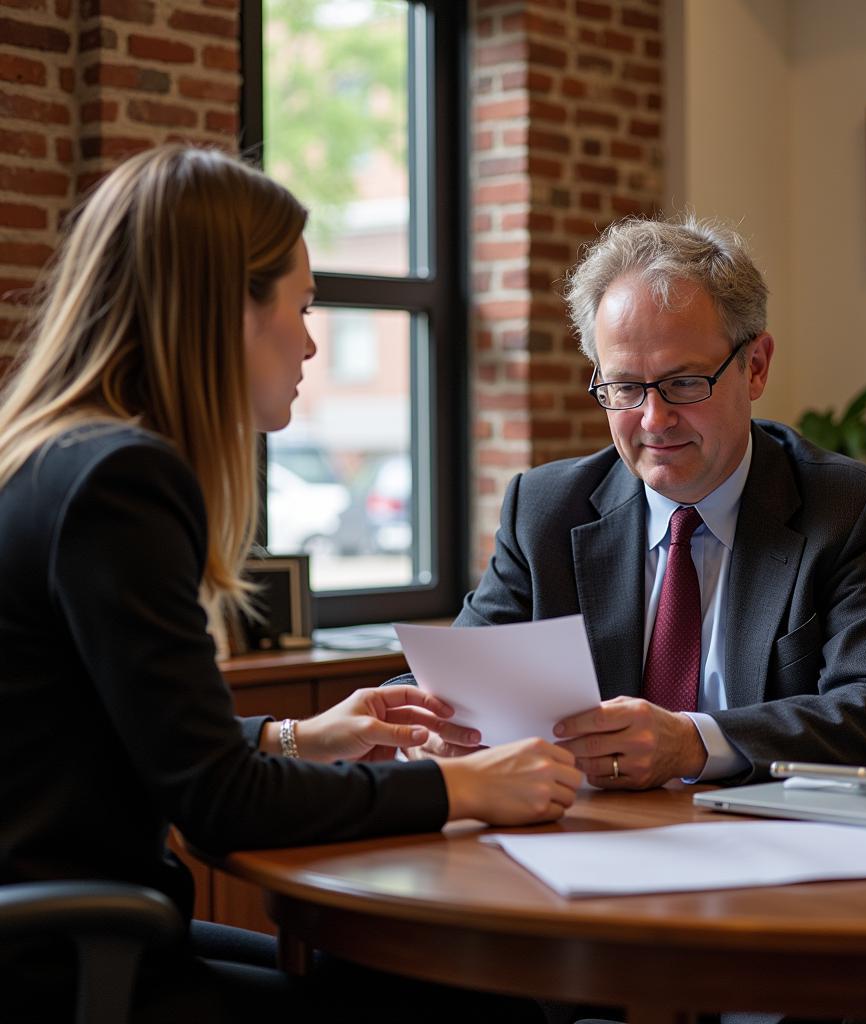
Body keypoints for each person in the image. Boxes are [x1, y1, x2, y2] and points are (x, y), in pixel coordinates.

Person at [0, 144, 580, 1023]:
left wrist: (292, 736)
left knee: (404, 975)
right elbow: (218, 806)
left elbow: (130, 729)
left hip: (69, 935)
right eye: (303, 307)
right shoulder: (122, 481)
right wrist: (471, 786)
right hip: (64, 965)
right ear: (228, 305)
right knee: (484, 1006)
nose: (311, 341)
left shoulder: (53, 455)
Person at [400, 214, 866, 792]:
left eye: (683, 383)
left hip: (770, 850)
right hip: (587, 844)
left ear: (755, 367)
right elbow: (455, 684)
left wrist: (692, 742)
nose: (654, 420)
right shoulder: (547, 511)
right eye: (625, 387)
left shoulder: (848, 511)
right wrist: (428, 728)